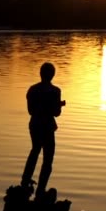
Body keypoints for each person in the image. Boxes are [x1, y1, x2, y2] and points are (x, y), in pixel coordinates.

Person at [21, 62, 65, 198]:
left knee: (35, 151)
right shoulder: (55, 91)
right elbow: (56, 113)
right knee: (48, 158)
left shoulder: (32, 89)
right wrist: (58, 106)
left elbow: (30, 110)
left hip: (34, 124)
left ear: (40, 74)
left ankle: (25, 182)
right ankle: (41, 189)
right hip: (47, 126)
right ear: (52, 75)